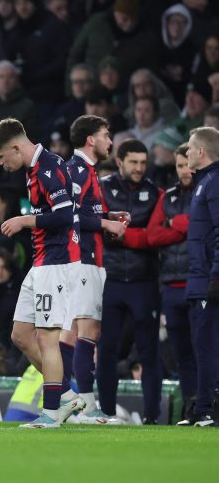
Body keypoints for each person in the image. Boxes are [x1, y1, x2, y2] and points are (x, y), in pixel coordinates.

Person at [0, 118, 83, 428]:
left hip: (57, 262)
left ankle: (51, 412)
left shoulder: (48, 168)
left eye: (1, 156)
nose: (0, 163)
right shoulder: (33, 170)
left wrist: (24, 220)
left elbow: (65, 215)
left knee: (47, 338)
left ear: (16, 147)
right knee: (21, 335)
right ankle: (65, 394)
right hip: (42, 262)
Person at [59, 115, 128, 425]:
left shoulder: (87, 171)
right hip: (83, 259)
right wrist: (106, 224)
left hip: (89, 258)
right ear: (91, 139)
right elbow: (70, 215)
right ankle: (84, 406)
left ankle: (66, 402)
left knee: (77, 331)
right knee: (84, 331)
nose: (110, 141)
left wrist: (109, 216)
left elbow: (86, 211)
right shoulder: (76, 170)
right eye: (105, 135)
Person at [97, 139, 163, 423]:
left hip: (143, 281)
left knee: (149, 351)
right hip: (110, 279)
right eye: (133, 162)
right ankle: (107, 413)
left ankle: (152, 417)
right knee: (107, 349)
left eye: (143, 162)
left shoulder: (156, 193)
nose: (139, 168)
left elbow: (154, 236)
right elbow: (98, 228)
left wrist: (120, 233)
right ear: (119, 162)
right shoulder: (101, 188)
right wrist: (135, 235)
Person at [146, 143, 197, 418]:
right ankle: (191, 408)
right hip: (170, 287)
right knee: (183, 354)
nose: (184, 170)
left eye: (188, 164)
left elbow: (201, 227)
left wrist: (173, 223)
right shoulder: (167, 197)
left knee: (204, 350)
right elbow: (153, 236)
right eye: (179, 165)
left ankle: (208, 407)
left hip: (198, 284)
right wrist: (184, 226)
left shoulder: (208, 192)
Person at [178, 126, 219, 426]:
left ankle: (206, 410)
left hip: (208, 279)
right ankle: (201, 408)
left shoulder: (214, 182)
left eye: (191, 148)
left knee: (206, 346)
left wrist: (215, 278)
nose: (187, 152)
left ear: (201, 151)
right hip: (201, 278)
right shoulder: (205, 183)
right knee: (201, 345)